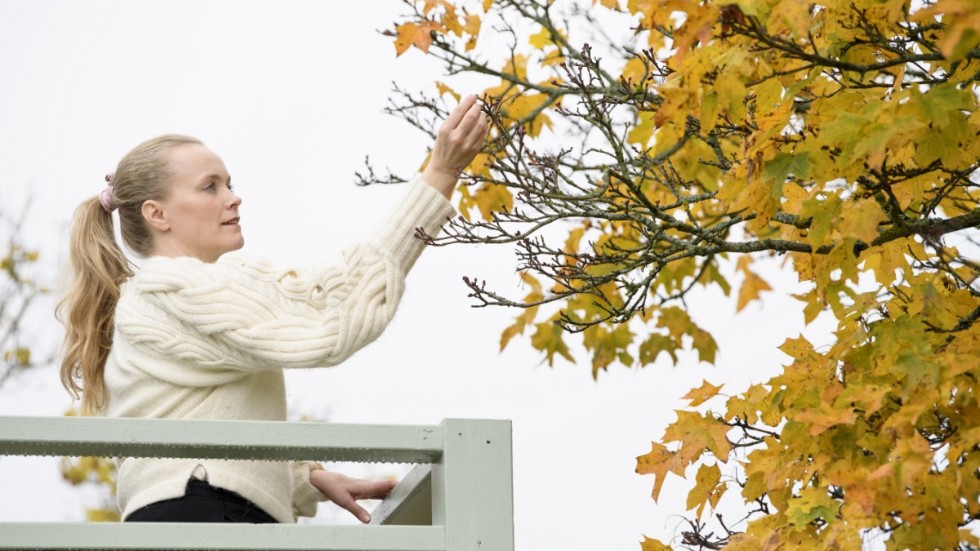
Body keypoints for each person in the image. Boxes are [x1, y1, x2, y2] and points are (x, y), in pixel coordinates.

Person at [57, 95, 488, 524]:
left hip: (197, 513)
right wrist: (441, 172)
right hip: (205, 515)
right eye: (210, 186)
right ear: (157, 214)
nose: (234, 197)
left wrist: (304, 476)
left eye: (229, 183)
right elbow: (336, 308)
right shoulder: (173, 292)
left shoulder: (156, 300)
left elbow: (205, 423)